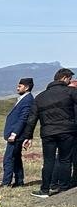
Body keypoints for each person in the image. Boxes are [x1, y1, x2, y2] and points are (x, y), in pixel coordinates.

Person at [22, 68, 77, 198]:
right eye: (69, 79)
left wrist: (28, 136)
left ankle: (45, 190)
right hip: (67, 131)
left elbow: (32, 119)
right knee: (65, 160)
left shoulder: (40, 97)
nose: (69, 81)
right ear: (64, 78)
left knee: (48, 161)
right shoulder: (71, 92)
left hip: (47, 133)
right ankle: (63, 188)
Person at [2, 77, 35, 188]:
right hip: (17, 134)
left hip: (17, 135)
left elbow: (23, 118)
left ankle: (6, 182)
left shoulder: (28, 100)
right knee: (15, 158)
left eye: (20, 86)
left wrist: (14, 133)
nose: (17, 88)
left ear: (27, 87)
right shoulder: (23, 98)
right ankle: (19, 181)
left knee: (9, 158)